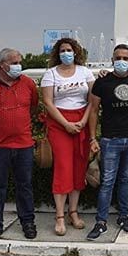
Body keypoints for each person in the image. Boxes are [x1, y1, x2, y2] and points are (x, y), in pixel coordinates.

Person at [0, 48, 39, 243]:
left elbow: (34, 108)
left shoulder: (28, 83)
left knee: (25, 186)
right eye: (15, 62)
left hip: (24, 145)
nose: (19, 65)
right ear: (3, 65)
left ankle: (27, 222)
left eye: (20, 61)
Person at [86, 44, 128, 241]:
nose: (121, 61)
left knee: (126, 180)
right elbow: (93, 111)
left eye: (125, 58)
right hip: (110, 139)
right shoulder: (102, 82)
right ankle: (101, 221)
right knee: (107, 182)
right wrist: (93, 137)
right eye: (118, 58)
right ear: (112, 60)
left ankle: (123, 217)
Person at [41, 38, 94, 236]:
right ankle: (60, 216)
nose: (66, 53)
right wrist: (66, 124)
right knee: (63, 167)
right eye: (62, 50)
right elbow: (47, 102)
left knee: (79, 167)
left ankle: (74, 212)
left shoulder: (85, 72)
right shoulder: (50, 74)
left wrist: (84, 121)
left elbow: (92, 101)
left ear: (76, 52)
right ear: (57, 53)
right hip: (59, 124)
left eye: (69, 50)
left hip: (81, 122)